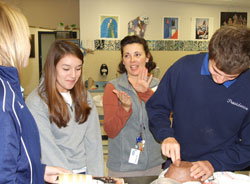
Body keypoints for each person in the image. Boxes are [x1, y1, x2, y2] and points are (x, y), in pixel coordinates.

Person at [146, 25, 250, 182]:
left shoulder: (247, 87)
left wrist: (214, 163)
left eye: (230, 77)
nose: (220, 80)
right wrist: (166, 135)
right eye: (216, 71)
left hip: (221, 169)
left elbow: (248, 148)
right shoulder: (183, 69)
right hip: (178, 163)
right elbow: (157, 108)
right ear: (210, 53)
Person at [0, 2, 70, 183]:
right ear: (10, 40)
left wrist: (39, 172)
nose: (29, 42)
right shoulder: (4, 98)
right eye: (26, 37)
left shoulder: (10, 91)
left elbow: (13, 160)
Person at [26, 40, 104, 177]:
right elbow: (48, 150)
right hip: (58, 176)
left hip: (85, 173)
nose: (73, 75)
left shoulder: (84, 96)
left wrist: (96, 178)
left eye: (78, 68)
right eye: (66, 69)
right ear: (52, 67)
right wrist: (71, 179)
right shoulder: (37, 102)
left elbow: (94, 142)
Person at [103, 35, 165, 177]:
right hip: (123, 168)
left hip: (154, 165)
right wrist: (124, 108)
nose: (132, 60)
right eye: (127, 56)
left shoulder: (157, 85)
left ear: (147, 57)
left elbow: (164, 121)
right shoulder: (113, 87)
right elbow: (110, 130)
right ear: (123, 60)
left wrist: (146, 94)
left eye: (137, 54)